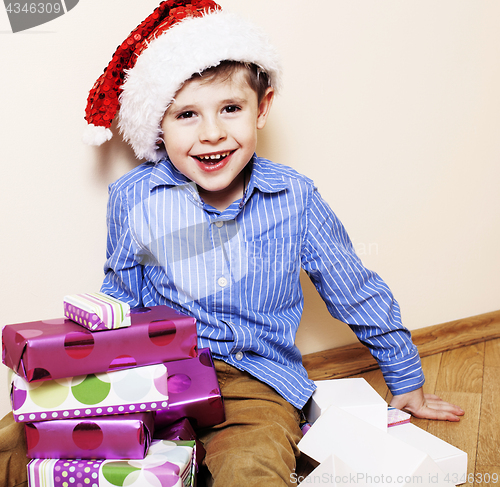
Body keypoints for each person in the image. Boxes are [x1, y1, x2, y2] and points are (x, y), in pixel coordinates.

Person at [83, 1, 464, 485]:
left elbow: (353, 286)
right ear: (158, 125)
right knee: (24, 443)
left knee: (252, 467)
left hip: (255, 382)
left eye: (230, 108)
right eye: (186, 115)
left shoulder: (294, 197)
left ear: (260, 109)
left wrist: (404, 373)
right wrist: (92, 376)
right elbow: (122, 296)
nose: (213, 133)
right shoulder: (134, 197)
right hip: (157, 376)